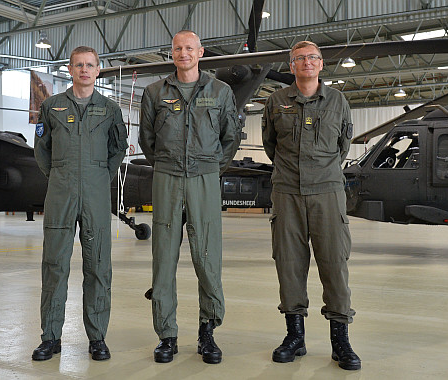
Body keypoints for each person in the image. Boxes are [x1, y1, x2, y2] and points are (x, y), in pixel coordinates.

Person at [139, 30, 241, 364]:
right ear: (172, 53)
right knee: (163, 258)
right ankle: (166, 335)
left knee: (207, 256)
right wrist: (168, 165)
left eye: (189, 48)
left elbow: (230, 138)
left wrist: (210, 168)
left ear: (200, 53)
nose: (184, 53)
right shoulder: (155, 92)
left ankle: (207, 330)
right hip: (167, 178)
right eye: (178, 48)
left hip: (204, 179)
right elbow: (147, 139)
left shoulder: (220, 91)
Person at [262, 41, 361, 371]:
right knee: (288, 263)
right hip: (287, 190)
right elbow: (270, 145)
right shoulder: (276, 102)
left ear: (321, 65)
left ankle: (340, 340)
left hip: (327, 192)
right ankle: (295, 336)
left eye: (313, 58)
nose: (307, 62)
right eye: (300, 58)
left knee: (334, 262)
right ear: (291, 66)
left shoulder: (337, 101)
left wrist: (321, 171)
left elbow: (343, 145)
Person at [32, 46, 128, 361]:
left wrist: (100, 176)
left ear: (98, 70)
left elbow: (118, 148)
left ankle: (97, 338)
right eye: (78, 65)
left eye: (90, 65)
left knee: (98, 267)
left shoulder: (110, 109)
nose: (84, 70)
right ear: (70, 70)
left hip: (96, 195)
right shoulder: (51, 106)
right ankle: (51, 338)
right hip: (60, 193)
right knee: (54, 266)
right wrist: (60, 175)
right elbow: (41, 148)